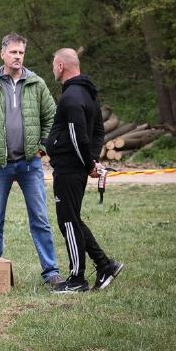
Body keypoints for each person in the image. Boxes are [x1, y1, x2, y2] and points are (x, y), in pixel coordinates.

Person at [0, 32, 63, 287]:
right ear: (2, 54)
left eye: (21, 52)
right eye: (13, 52)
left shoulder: (37, 84)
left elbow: (52, 118)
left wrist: (42, 148)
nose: (18, 56)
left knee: (40, 219)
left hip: (30, 165)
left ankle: (51, 272)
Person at [46, 48, 124, 293]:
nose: (53, 69)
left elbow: (78, 136)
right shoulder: (88, 95)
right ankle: (105, 265)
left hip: (70, 169)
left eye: (53, 65)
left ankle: (77, 279)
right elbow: (99, 132)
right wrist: (92, 160)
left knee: (68, 222)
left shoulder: (70, 97)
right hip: (75, 167)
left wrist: (89, 164)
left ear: (60, 66)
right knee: (74, 220)